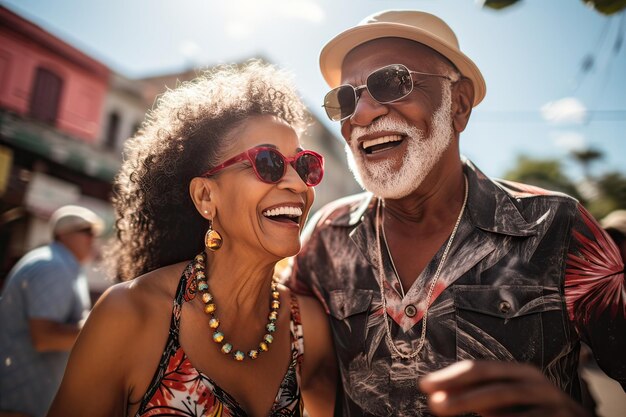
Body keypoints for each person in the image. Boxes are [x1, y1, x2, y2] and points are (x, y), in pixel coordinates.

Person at [288, 9, 625, 416]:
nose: (360, 114)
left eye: (392, 83)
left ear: (459, 103)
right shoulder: (327, 236)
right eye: (344, 99)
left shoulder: (557, 226)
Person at [46, 61, 336, 417]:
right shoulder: (130, 316)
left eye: (304, 165)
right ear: (205, 197)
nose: (297, 183)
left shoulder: (309, 329)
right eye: (269, 162)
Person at [0, 205, 103, 417]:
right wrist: (98, 329)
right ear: (62, 234)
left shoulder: (62, 265)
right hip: (16, 407)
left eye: (95, 233)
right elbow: (44, 337)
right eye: (86, 231)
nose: (93, 238)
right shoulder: (53, 266)